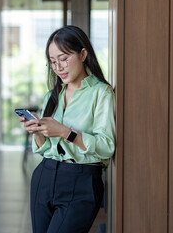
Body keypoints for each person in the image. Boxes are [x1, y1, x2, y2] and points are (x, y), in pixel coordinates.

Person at [19, 25, 116, 233]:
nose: (58, 67)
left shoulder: (101, 93)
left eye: (63, 59)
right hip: (44, 177)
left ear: (82, 54)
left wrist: (65, 132)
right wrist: (37, 131)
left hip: (81, 181)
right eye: (53, 62)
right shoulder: (52, 96)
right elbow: (45, 149)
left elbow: (106, 146)